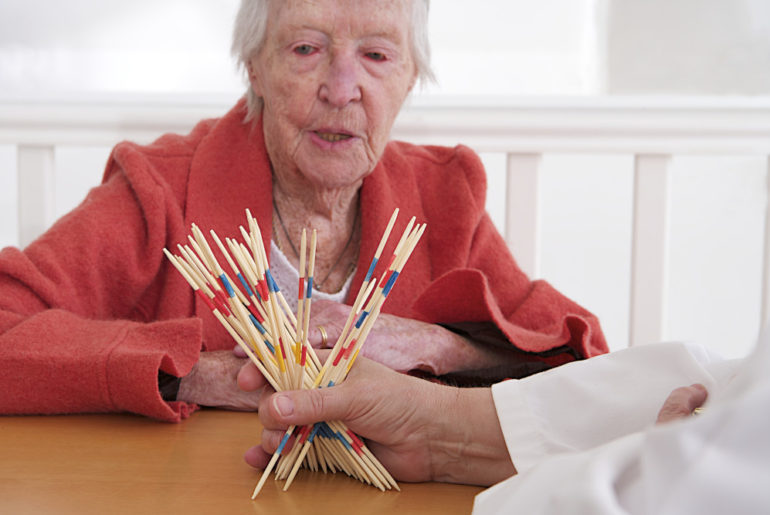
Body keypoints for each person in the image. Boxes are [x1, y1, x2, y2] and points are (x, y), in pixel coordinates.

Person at [0, 0, 606, 423]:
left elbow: (580, 359)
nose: (341, 88)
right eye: (306, 48)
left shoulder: (445, 197)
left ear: (411, 76)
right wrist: (198, 375)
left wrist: (440, 348)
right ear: (254, 66)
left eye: (376, 55)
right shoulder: (159, 189)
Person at [243, 333, 769, 513]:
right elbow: (737, 387)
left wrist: (446, 346)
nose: (343, 88)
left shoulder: (449, 183)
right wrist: (444, 429)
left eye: (380, 67)